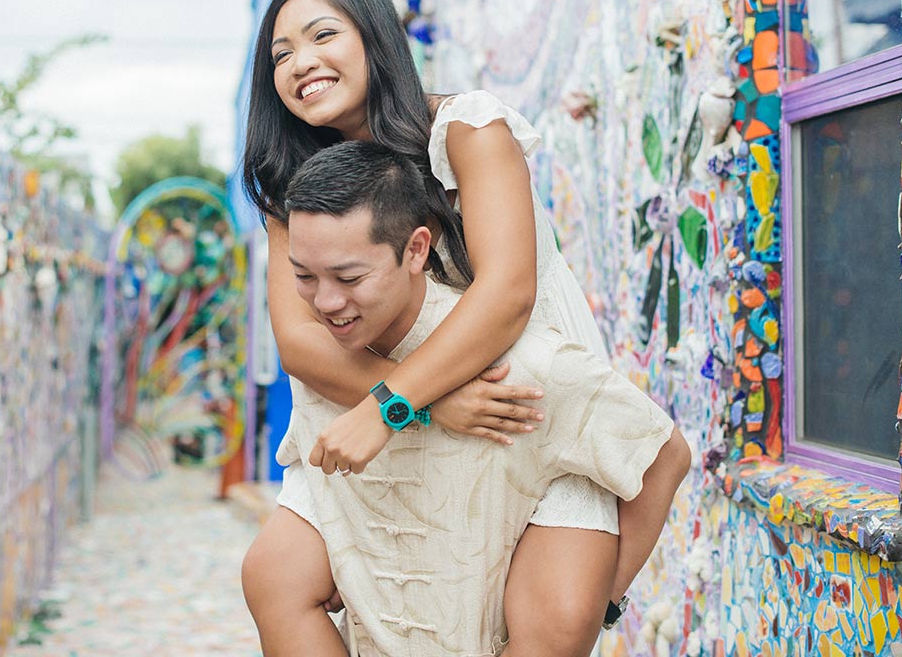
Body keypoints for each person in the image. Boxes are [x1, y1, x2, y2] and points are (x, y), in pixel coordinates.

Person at [240, 0, 691, 655]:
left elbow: (507, 293)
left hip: (519, 401)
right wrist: (417, 405)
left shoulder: (467, 129)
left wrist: (397, 403)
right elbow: (301, 343)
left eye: (322, 35)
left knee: (553, 620)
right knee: (275, 576)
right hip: (391, 402)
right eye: (280, 54)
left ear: (376, 39)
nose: (300, 62)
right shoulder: (298, 188)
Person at [277, 140, 677, 655]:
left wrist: (602, 602)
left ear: (417, 250)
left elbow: (664, 456)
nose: (326, 303)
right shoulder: (327, 366)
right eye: (304, 277)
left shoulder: (524, 367)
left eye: (350, 277)